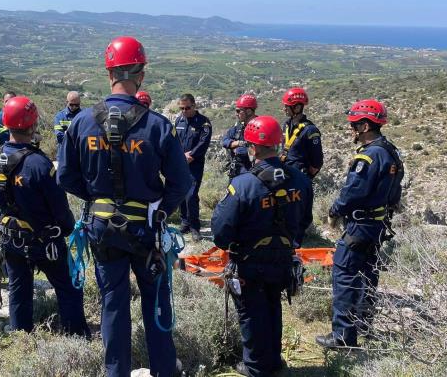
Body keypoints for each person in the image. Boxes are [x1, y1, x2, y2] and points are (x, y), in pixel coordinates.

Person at [57, 36, 192, 377]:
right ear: (141, 75)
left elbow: (66, 177)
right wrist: (160, 211)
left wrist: (96, 198)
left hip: (103, 229)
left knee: (113, 304)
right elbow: (182, 183)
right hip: (146, 230)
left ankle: (116, 372)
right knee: (155, 299)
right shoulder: (157, 125)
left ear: (109, 74)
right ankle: (164, 369)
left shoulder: (82, 122)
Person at [211, 115, 313, 377]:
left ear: (253, 148)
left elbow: (221, 231)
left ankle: (257, 367)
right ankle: (273, 361)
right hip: (283, 259)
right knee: (273, 306)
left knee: (252, 312)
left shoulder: (242, 185)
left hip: (250, 262)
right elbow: (305, 220)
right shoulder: (300, 181)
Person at [0, 96, 90, 336]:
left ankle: (21, 333)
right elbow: (59, 207)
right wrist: (67, 229)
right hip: (44, 240)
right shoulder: (39, 164)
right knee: (68, 286)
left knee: (18, 287)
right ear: (33, 125)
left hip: (10, 237)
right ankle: (75, 334)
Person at [316, 99, 404, 349]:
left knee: (344, 273)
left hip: (360, 225)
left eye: (354, 124)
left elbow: (353, 192)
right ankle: (364, 324)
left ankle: (343, 336)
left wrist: (334, 211)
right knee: (367, 273)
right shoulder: (390, 150)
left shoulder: (369, 156)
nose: (351, 128)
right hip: (378, 224)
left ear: (365, 126)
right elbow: (396, 186)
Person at [174, 94, 212, 240]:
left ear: (194, 106)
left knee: (191, 195)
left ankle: (195, 227)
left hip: (195, 164)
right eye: (181, 108)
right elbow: (174, 140)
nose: (184, 111)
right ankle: (185, 222)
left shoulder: (203, 123)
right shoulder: (179, 121)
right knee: (182, 193)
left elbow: (204, 142)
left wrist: (192, 155)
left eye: (187, 108)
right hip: (180, 163)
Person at [280, 88, 323, 179]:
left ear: (297, 108)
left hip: (299, 177)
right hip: (285, 174)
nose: (284, 109)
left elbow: (317, 162)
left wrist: (305, 177)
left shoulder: (310, 130)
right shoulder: (287, 125)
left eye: (287, 106)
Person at [222, 94, 257, 179]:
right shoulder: (239, 127)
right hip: (237, 171)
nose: (236, 114)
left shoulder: (260, 127)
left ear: (248, 111)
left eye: (238, 111)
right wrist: (237, 143)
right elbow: (224, 140)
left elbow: (258, 150)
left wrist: (238, 149)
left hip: (252, 173)